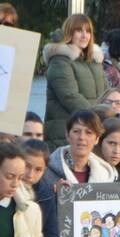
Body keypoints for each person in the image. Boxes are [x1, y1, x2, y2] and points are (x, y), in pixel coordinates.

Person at [43, 14, 108, 144]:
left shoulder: (93, 61)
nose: (85, 35)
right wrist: (98, 118)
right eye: (79, 30)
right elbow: (70, 96)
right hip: (66, 133)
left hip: (91, 131)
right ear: (69, 33)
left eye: (88, 31)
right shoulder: (60, 60)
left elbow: (106, 93)